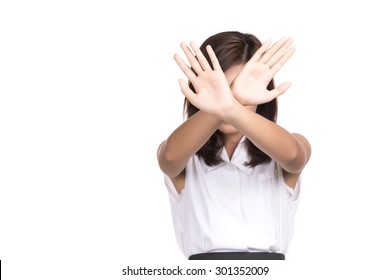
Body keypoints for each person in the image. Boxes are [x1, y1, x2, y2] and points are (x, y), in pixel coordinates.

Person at [157, 31, 311, 260]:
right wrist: (229, 105)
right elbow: (168, 158)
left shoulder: (286, 146)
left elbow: (293, 155)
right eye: (221, 89)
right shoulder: (185, 152)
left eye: (237, 90)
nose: (229, 99)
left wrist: (228, 107)